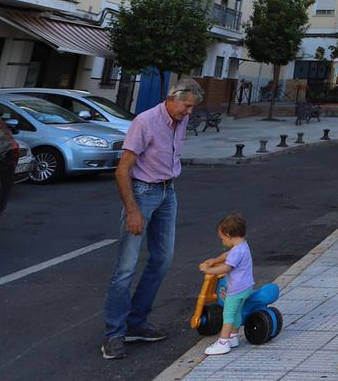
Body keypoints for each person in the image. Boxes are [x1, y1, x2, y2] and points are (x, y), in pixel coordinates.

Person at [101, 78, 203, 360]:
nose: (189, 113)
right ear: (173, 98)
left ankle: (136, 323)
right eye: (187, 106)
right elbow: (122, 170)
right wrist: (133, 210)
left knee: (163, 259)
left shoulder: (179, 120)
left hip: (167, 191)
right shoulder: (145, 122)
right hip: (142, 193)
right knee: (125, 267)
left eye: (192, 108)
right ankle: (113, 334)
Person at [198, 213, 254, 356]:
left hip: (236, 290)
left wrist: (209, 269)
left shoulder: (236, 252)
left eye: (222, 239)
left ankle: (223, 343)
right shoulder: (242, 245)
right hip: (246, 287)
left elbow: (226, 267)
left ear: (228, 236)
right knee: (237, 312)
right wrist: (214, 260)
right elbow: (226, 255)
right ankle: (233, 337)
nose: (222, 242)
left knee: (228, 314)